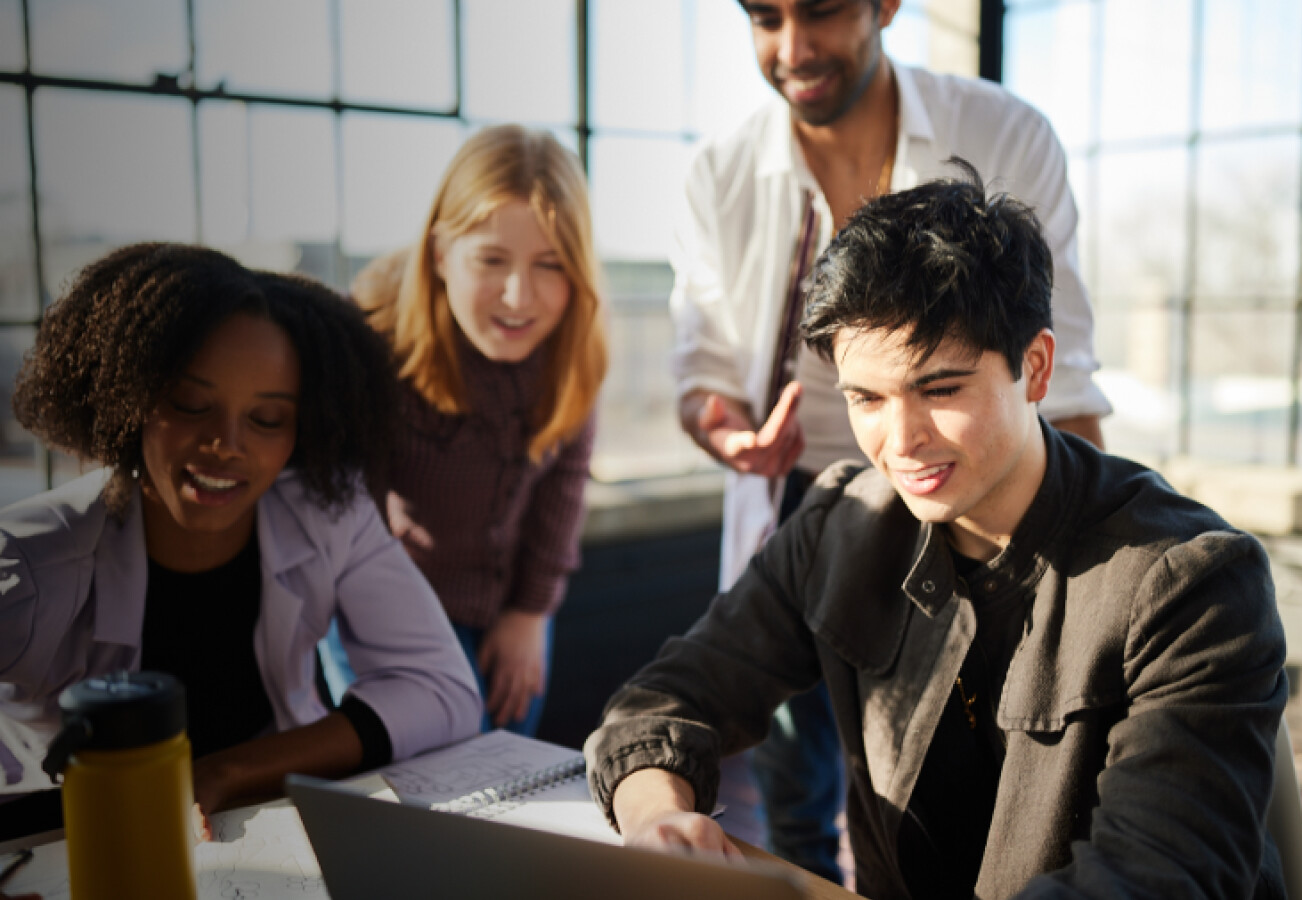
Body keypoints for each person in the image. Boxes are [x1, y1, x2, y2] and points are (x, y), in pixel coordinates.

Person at [586, 166, 1287, 900]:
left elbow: (1154, 879)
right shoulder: (839, 523)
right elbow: (665, 698)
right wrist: (656, 817)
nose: (901, 440)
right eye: (867, 398)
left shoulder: (1191, 582)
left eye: (940, 389)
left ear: (1037, 367)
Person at [671, 0, 1113, 878]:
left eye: (823, 11)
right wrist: (733, 438)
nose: (793, 49)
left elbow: (1060, 376)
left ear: (886, 6)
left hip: (991, 497)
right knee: (806, 793)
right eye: (763, 18)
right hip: (806, 501)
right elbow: (703, 379)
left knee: (995, 784)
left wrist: (1102, 562)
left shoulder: (1002, 132)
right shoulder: (719, 175)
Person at [0, 244, 482, 842]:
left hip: (276, 832)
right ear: (132, 394)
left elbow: (443, 691)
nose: (225, 443)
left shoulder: (330, 517)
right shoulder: (26, 560)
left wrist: (219, 774)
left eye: (267, 419)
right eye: (192, 404)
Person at [342, 124, 607, 736]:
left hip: (510, 604)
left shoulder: (573, 350)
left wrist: (529, 614)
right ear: (440, 254)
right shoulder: (372, 341)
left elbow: (563, 487)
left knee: (509, 751)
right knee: (435, 760)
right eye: (491, 259)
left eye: (550, 265)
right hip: (385, 600)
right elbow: (338, 511)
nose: (519, 295)